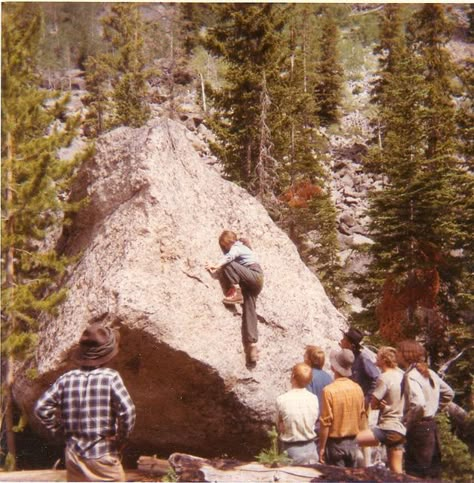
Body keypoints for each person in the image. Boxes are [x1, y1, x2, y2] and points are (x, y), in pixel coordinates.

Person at [35, 324, 136, 482]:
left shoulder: (66, 378)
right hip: (102, 454)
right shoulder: (111, 377)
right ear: (107, 354)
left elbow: (41, 408)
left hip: (74, 455)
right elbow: (128, 411)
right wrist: (120, 439)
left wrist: (61, 431)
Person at [396, 339, 454, 479]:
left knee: (416, 473)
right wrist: (434, 408)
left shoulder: (411, 376)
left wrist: (409, 424)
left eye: (398, 352)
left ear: (406, 355)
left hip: (418, 430)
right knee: (433, 472)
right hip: (431, 427)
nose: (396, 355)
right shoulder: (429, 373)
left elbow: (419, 404)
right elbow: (449, 393)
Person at [206, 230, 264, 364]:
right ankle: (252, 346)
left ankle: (236, 291)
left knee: (228, 264)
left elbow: (230, 257)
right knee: (249, 310)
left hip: (254, 275)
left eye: (224, 245)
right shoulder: (244, 247)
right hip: (254, 283)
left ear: (228, 242)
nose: (225, 248)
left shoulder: (237, 247)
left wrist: (216, 265)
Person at [356, 346, 406, 474]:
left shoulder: (384, 378)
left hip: (387, 427)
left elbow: (373, 404)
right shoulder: (402, 375)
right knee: (397, 472)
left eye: (377, 357)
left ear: (384, 360)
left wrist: (379, 405)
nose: (375, 359)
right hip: (400, 428)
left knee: (352, 441)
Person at [319, 348, 366, 467]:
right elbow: (362, 417)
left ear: (334, 367)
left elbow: (326, 423)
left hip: (335, 444)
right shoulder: (358, 388)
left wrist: (322, 448)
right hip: (353, 443)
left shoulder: (329, 391)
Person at [276, 363, 319, 465]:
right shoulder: (314, 399)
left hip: (290, 450)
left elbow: (280, 427)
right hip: (311, 448)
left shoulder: (282, 399)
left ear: (292, 377)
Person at [340, 327, 380, 406]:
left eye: (344, 339)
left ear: (350, 345)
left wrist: (367, 399)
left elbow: (376, 378)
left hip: (359, 402)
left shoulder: (363, 359)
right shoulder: (346, 357)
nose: (341, 341)